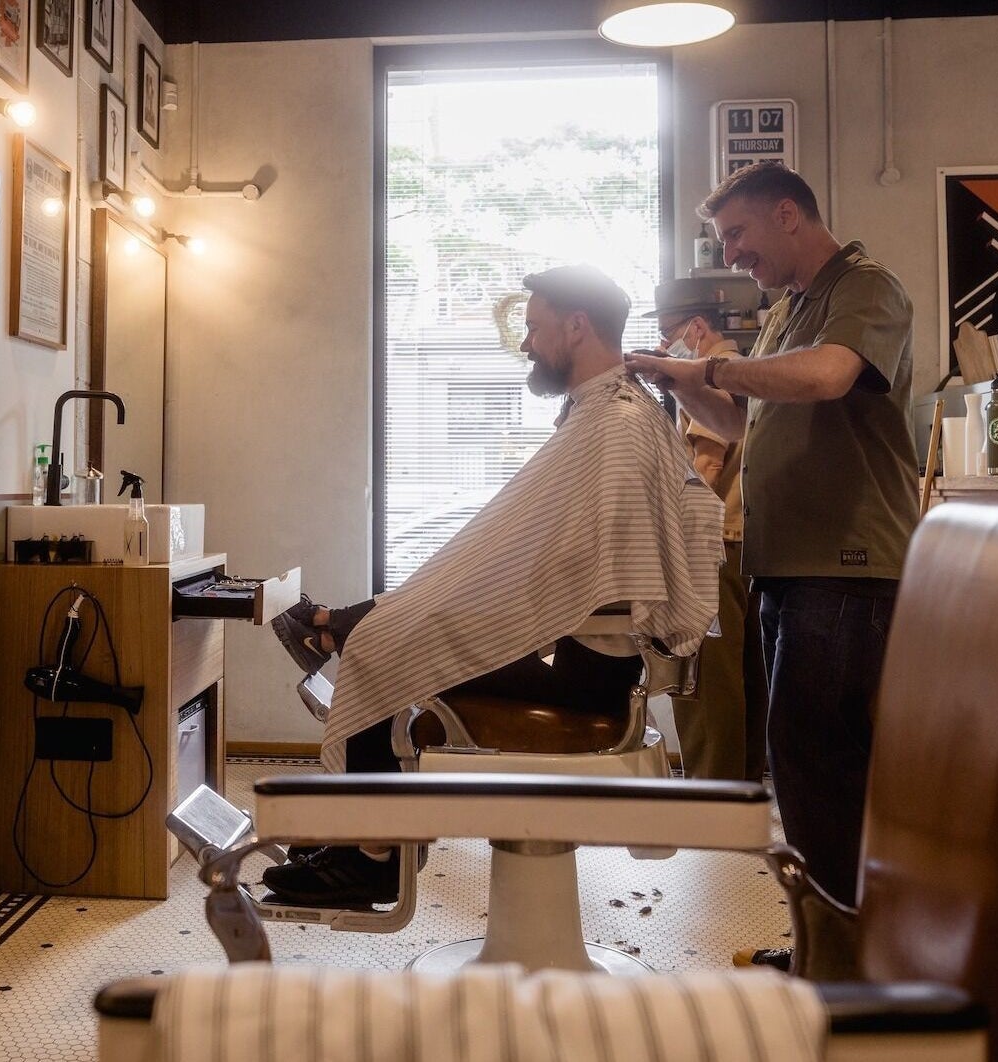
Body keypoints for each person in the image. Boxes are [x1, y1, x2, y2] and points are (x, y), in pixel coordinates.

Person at [263, 264, 726, 907]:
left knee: (385, 650)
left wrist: (427, 608)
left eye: (535, 330)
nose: (527, 344)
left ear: (576, 326)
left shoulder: (614, 426)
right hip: (594, 661)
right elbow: (544, 554)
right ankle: (360, 833)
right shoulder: (615, 412)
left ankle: (367, 859)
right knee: (396, 630)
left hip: (589, 681)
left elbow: (564, 568)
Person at [626, 162, 917, 917]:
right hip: (785, 566)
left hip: (847, 566)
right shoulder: (790, 309)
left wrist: (714, 364)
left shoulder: (864, 287)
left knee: (824, 768)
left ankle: (846, 954)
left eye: (737, 235)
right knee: (800, 769)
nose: (732, 256)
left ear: (788, 214)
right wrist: (690, 387)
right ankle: (827, 942)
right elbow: (750, 429)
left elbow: (826, 378)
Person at [641, 277, 764, 782]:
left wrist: (672, 542)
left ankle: (714, 793)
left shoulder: (711, 379)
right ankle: (741, 789)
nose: (666, 344)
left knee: (706, 683)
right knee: (743, 681)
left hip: (715, 547)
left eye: (669, 332)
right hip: (742, 544)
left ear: (696, 329)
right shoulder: (740, 374)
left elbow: (706, 473)